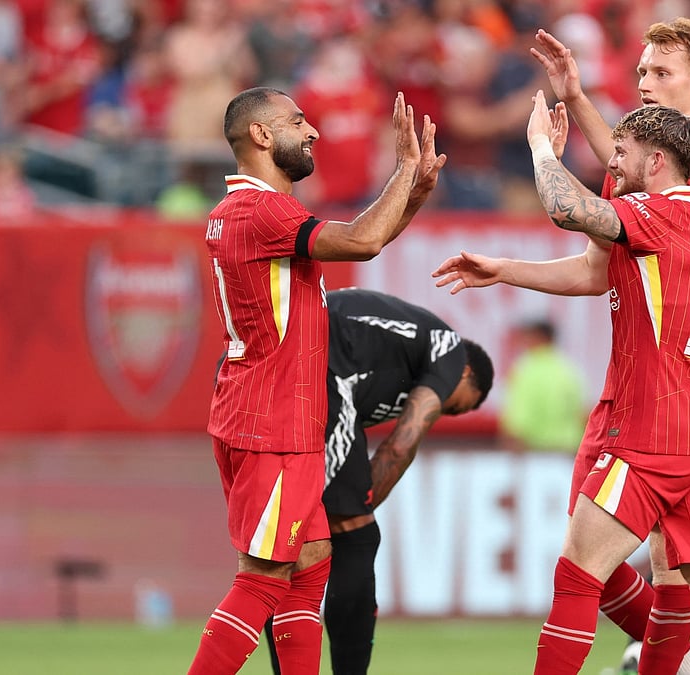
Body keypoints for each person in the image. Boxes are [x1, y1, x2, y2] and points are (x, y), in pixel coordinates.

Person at [441, 95, 690, 675]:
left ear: (657, 164)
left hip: (650, 428)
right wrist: (506, 269)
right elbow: (594, 272)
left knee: (576, 574)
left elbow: (566, 208)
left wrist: (542, 148)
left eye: (621, 153)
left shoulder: (655, 213)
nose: (612, 165)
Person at [529, 19, 690, 670]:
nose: (644, 83)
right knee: (647, 564)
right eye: (640, 72)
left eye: (660, 73)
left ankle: (680, 665)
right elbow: (598, 255)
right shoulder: (639, 162)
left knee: (662, 566)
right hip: (629, 385)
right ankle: (689, 666)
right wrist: (577, 97)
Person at [190, 86, 445, 675]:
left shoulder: (249, 215)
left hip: (272, 416)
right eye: (298, 121)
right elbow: (362, 240)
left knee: (311, 562)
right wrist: (403, 170)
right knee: (265, 576)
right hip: (273, 422)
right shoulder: (262, 210)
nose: (313, 133)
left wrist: (412, 196)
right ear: (260, 135)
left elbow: (364, 239)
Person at [263, 287, 494, 675]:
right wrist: (357, 509)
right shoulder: (449, 351)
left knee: (283, 548)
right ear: (466, 373)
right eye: (455, 406)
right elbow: (400, 447)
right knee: (356, 534)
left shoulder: (388, 367)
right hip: (317, 362)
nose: (442, 412)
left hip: (259, 372)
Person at [499, 318, 587, 452]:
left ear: (539, 338)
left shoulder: (527, 370)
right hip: (569, 453)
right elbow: (583, 415)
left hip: (536, 454)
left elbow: (517, 422)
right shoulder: (569, 370)